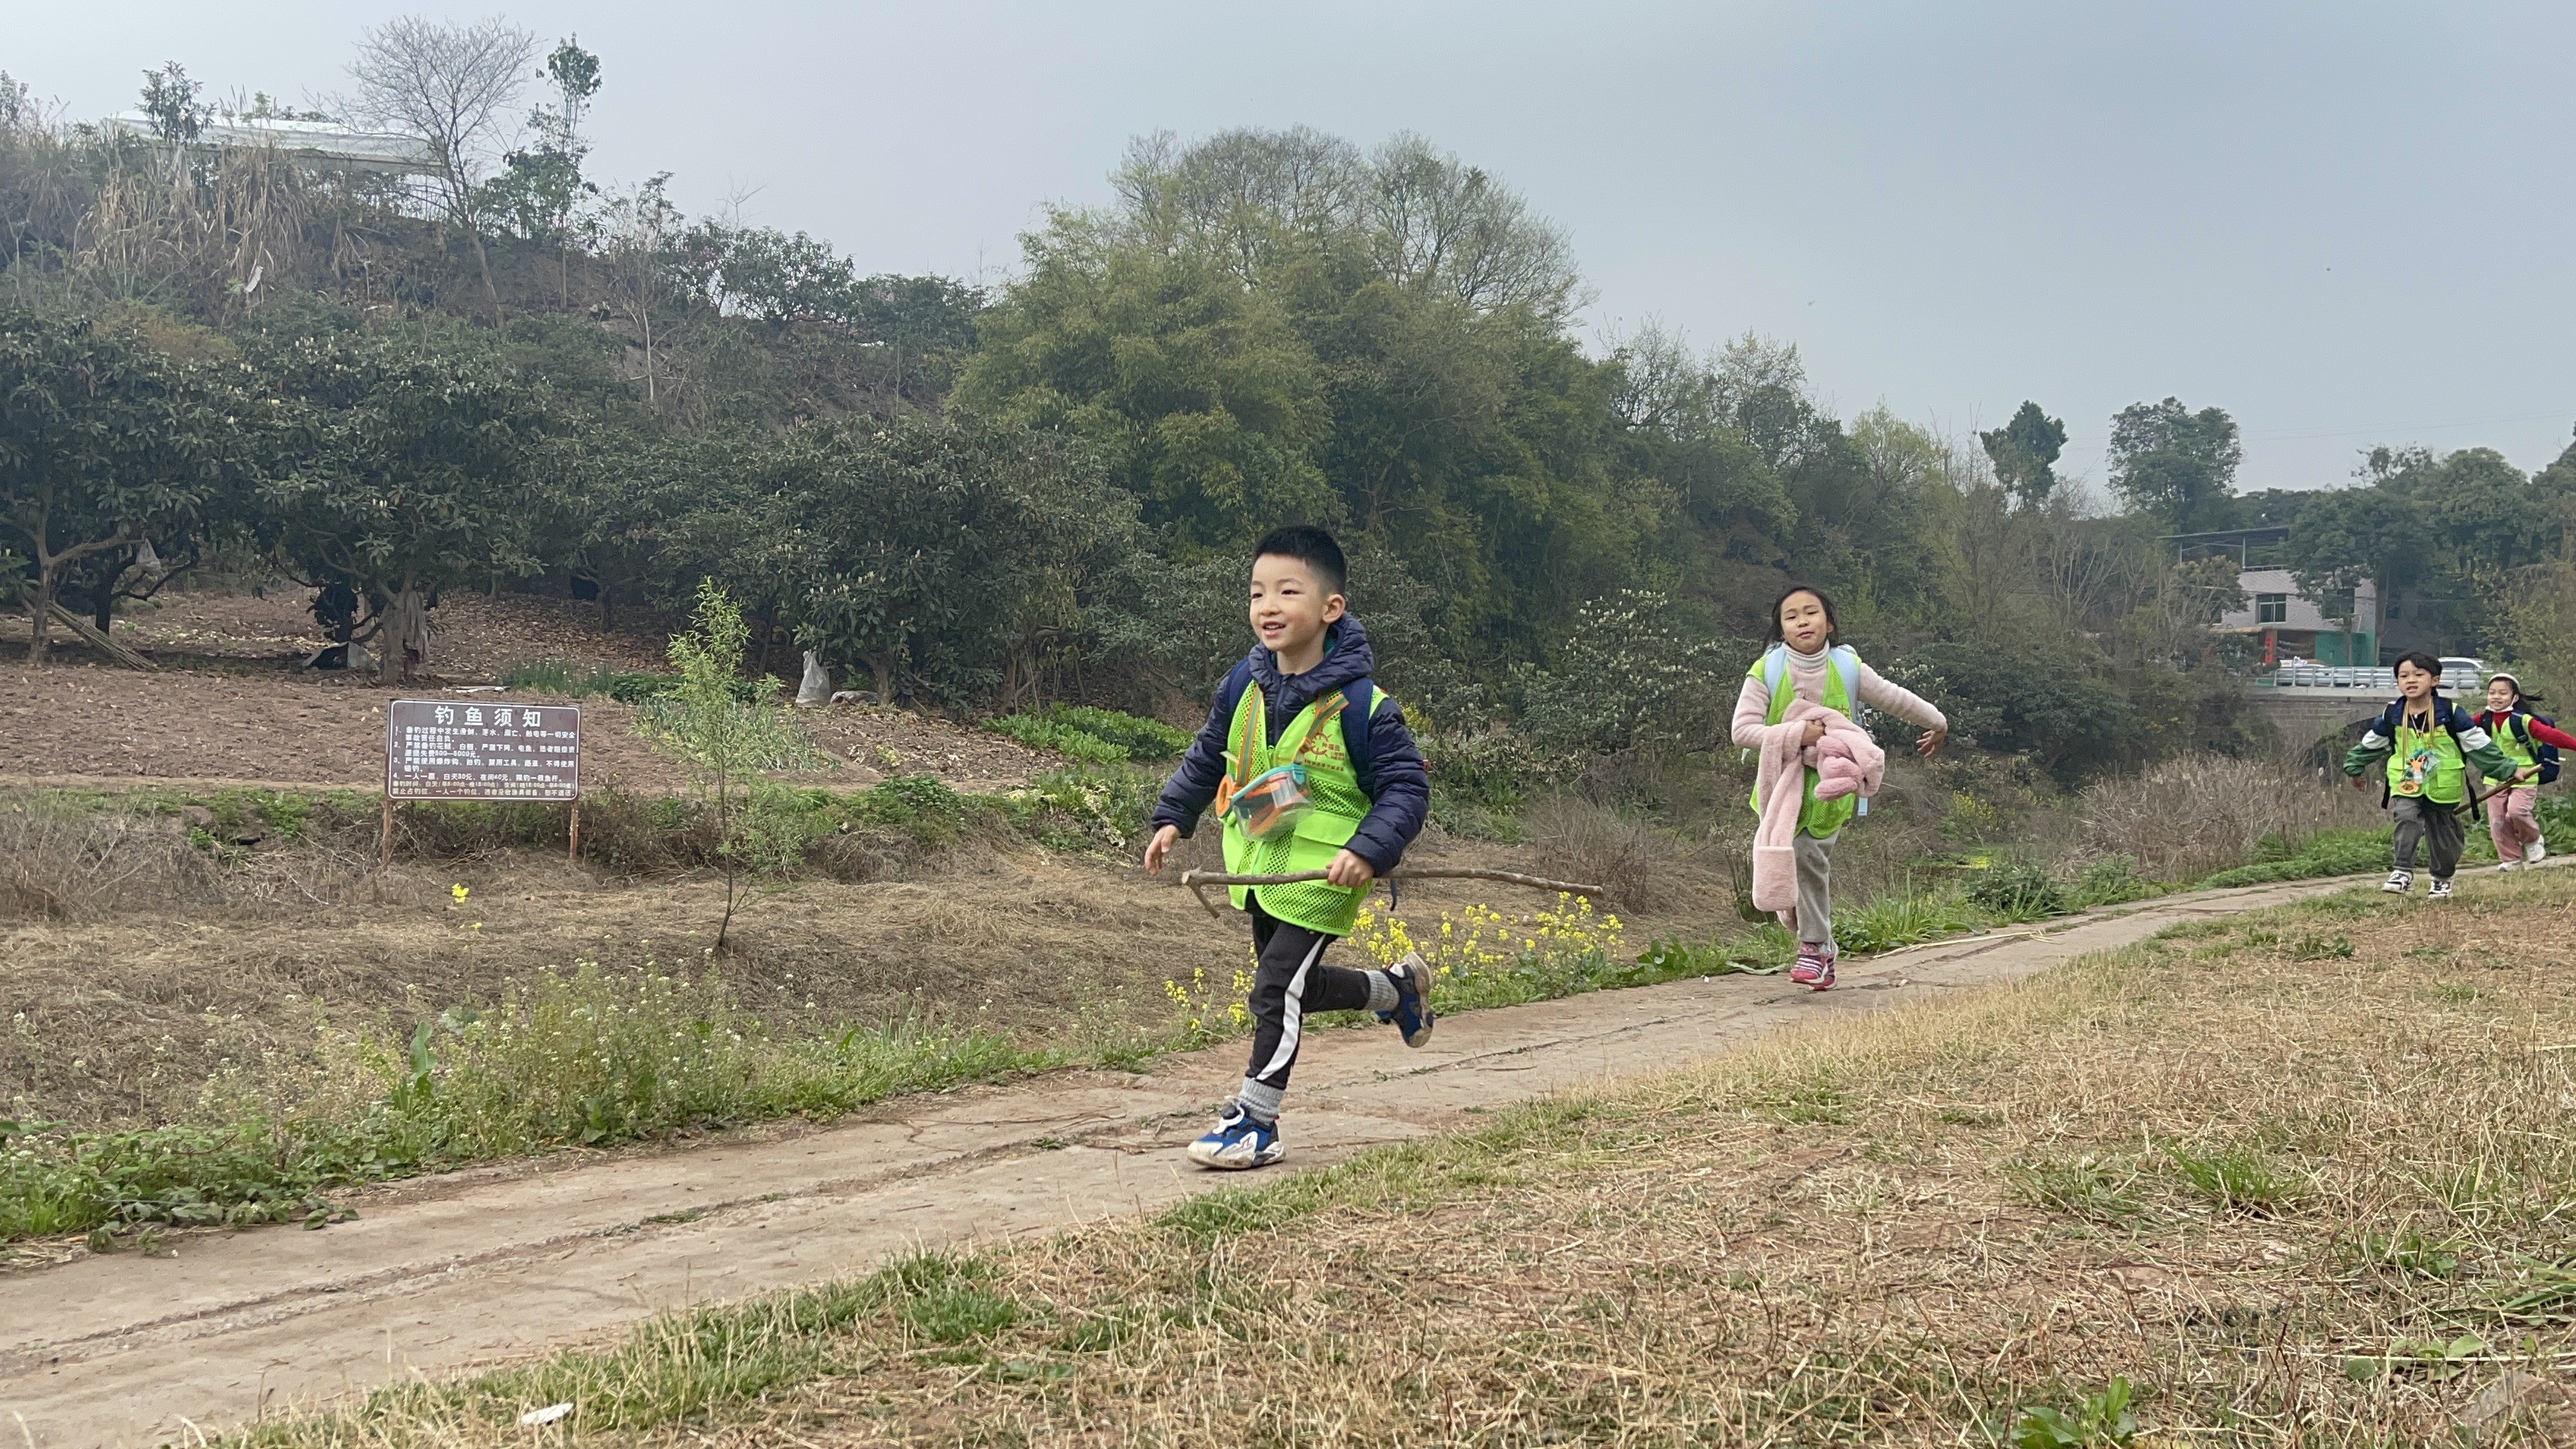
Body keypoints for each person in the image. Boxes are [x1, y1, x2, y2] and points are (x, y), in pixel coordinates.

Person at [1143, 525, 1432, 1170]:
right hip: (1261, 869)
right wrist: (1173, 818)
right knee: (1292, 985)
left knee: (1275, 987)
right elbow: (1205, 755)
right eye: (1256, 593)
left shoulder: (1365, 707)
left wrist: (1368, 849)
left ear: (1332, 609)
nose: (1267, 607)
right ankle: (1394, 990)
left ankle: (1256, 1120)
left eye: (1287, 591)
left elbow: (1406, 789)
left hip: (1325, 875)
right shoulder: (1241, 686)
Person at [1729, 586, 1948, 991]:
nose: (1802, 621)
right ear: (1780, 630)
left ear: (1830, 622)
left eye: (1811, 613)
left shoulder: (1847, 667)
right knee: (1788, 860)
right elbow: (1742, 731)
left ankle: (1813, 948)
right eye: (1791, 616)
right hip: (1779, 785)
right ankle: (1822, 944)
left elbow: (1894, 699)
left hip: (1834, 781)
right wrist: (1798, 733)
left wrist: (1938, 722)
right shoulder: (1767, 671)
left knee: (1808, 855)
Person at [2342, 651, 2515, 899]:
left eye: (2418, 675)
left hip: (2443, 784)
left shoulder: (2451, 712)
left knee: (2443, 834)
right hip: (2408, 781)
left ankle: (2442, 879)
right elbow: (2371, 744)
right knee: (2406, 815)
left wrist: (2508, 770)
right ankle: (2402, 871)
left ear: (2435, 680)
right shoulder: (2392, 714)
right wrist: (2355, 768)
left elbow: (2478, 746)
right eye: (2403, 676)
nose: (2410, 680)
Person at [2472, 671, 2570, 871]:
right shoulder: (2482, 720)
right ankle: (2511, 860)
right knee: (2497, 819)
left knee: (2516, 812)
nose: (2496, 697)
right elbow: (2458, 732)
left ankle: (2533, 840)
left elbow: (2552, 736)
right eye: (2492, 693)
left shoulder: (2523, 720)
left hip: (2526, 775)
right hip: (2495, 776)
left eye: (2502, 693)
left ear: (2514, 698)